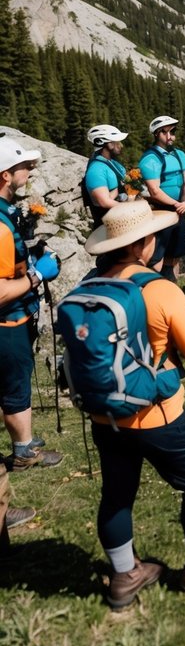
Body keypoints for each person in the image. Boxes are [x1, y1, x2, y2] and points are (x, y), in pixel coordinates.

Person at [83, 199, 185, 608]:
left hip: (106, 415)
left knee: (117, 493)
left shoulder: (87, 286)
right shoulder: (160, 289)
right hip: (158, 413)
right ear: (142, 245)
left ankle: (124, 575)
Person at [0, 136, 62, 471]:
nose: (31, 170)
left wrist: (28, 251)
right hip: (6, 321)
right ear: (5, 175)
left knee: (17, 381)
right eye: (24, 166)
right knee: (15, 383)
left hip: (15, 317)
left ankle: (22, 440)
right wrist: (38, 276)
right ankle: (23, 451)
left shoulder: (5, 216)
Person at [139, 116, 185, 283]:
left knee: (176, 251)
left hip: (179, 209)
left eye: (173, 132)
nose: (170, 136)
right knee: (157, 253)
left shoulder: (179, 154)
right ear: (156, 134)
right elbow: (154, 190)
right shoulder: (150, 158)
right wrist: (176, 204)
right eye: (166, 132)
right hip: (160, 210)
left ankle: (172, 286)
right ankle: (154, 287)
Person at [83, 124, 129, 224]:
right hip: (111, 226)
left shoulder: (112, 163)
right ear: (108, 144)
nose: (121, 145)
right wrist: (130, 209)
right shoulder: (96, 169)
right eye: (117, 142)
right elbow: (103, 202)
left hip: (122, 220)